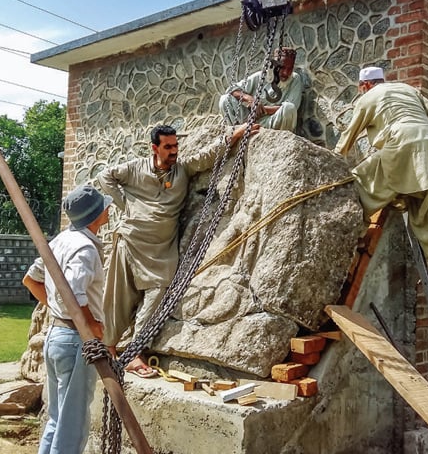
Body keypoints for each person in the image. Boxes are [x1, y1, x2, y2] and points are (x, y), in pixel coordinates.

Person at [95, 123, 259, 377]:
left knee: (159, 293)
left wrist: (234, 136)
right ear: (155, 148)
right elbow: (105, 176)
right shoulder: (134, 168)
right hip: (130, 241)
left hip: (162, 249)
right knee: (118, 298)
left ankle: (134, 353)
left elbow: (207, 156)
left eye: (175, 145)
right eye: (168, 146)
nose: (174, 151)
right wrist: (125, 204)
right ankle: (109, 349)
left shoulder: (182, 169)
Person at [334, 66, 428, 283]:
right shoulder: (407, 90)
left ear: (365, 85)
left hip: (402, 142)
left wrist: (334, 160)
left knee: (360, 182)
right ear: (382, 80)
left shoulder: (368, 97)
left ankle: (358, 235)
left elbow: (350, 134)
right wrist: (426, 139)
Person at [22, 184, 112, 454]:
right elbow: (74, 292)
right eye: (104, 206)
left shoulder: (61, 240)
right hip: (76, 341)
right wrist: (90, 324)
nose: (109, 209)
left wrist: (60, 309)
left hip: (56, 335)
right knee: (72, 428)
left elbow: (30, 280)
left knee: (58, 420)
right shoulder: (84, 248)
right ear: (96, 214)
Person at [219, 47, 302, 132]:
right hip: (249, 121)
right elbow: (232, 90)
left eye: (290, 68)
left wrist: (262, 110)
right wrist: (251, 100)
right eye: (282, 68)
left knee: (289, 108)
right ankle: (239, 132)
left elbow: (292, 108)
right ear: (274, 65)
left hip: (272, 123)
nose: (286, 73)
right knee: (225, 99)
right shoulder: (261, 76)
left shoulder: (295, 79)